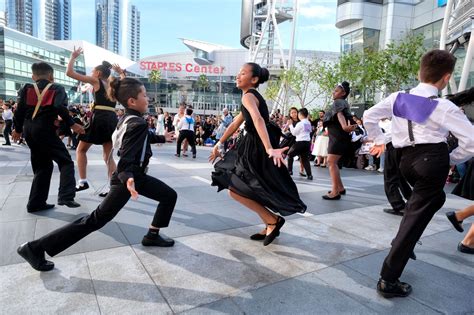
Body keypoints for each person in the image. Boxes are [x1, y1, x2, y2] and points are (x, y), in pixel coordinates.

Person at [17, 77, 177, 272]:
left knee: (169, 196)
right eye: (144, 95)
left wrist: (162, 137)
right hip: (129, 178)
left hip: (133, 177)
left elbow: (139, 139)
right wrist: (128, 178)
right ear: (132, 101)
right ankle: (34, 248)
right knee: (95, 220)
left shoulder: (127, 119)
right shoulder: (138, 123)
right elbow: (126, 157)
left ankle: (152, 235)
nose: (148, 98)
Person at [363, 49, 474, 298]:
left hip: (405, 162)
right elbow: (472, 141)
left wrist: (380, 139)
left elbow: (369, 116)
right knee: (418, 215)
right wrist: (451, 159)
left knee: (430, 202)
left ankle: (404, 241)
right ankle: (388, 279)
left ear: (419, 72)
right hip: (431, 161)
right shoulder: (443, 106)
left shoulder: (397, 97)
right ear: (446, 78)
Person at [209, 62, 307, 246]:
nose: (238, 76)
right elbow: (235, 124)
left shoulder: (249, 96)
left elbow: (258, 119)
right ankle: (270, 222)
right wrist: (219, 143)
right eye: (238, 73)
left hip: (255, 148)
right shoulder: (249, 96)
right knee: (249, 187)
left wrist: (269, 148)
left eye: (243, 73)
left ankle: (273, 221)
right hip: (252, 146)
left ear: (253, 79)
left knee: (236, 190)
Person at [12, 62, 85, 212]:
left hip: (29, 130)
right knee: (65, 162)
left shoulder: (27, 88)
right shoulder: (57, 88)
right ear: (51, 76)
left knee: (42, 167)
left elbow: (19, 110)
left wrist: (17, 129)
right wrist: (72, 124)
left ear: (33, 76)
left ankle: (35, 203)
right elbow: (59, 107)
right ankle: (66, 196)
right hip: (45, 129)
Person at [67, 47, 122, 196]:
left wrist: (73, 57)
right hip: (112, 119)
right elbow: (126, 84)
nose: (91, 74)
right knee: (108, 156)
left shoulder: (96, 81)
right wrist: (122, 73)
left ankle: (83, 181)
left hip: (99, 118)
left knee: (81, 150)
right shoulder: (113, 85)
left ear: (98, 73)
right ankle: (114, 187)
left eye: (93, 72)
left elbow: (70, 73)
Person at [322, 82, 356, 200]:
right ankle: (340, 187)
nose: (333, 92)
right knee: (333, 162)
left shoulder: (338, 102)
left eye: (336, 91)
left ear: (343, 93)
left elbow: (340, 115)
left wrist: (344, 127)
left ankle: (335, 191)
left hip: (338, 136)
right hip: (338, 136)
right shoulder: (343, 102)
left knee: (331, 162)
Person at [287, 108, 313, 180]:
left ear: (300, 115)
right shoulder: (308, 122)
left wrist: (290, 125)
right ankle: (309, 175)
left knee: (289, 154)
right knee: (305, 159)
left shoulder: (300, 123)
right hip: (307, 143)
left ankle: (289, 171)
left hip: (300, 142)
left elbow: (294, 133)